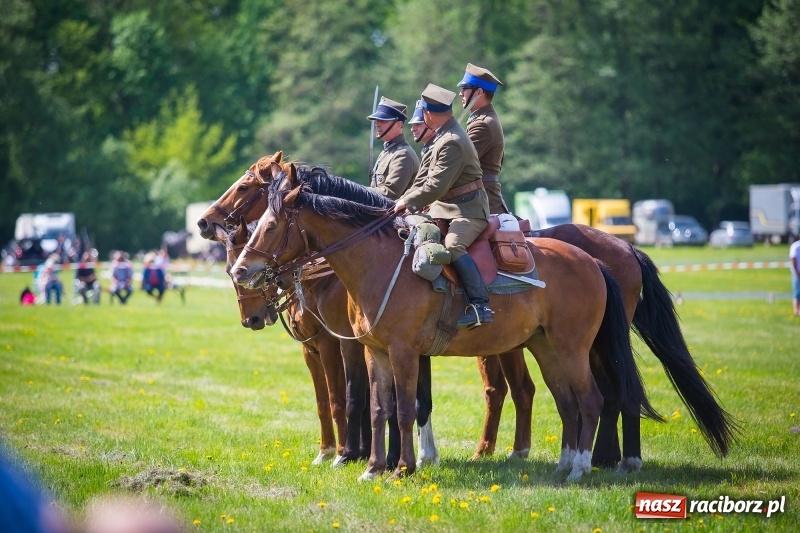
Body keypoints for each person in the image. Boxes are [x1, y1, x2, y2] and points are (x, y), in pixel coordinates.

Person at [396, 84, 492, 328]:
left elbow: (435, 187)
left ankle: (480, 305)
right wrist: (404, 201)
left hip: (468, 211)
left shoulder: (451, 141)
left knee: (453, 246)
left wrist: (406, 202)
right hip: (445, 209)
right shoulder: (441, 137)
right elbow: (423, 182)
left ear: (428, 114)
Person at [457, 63, 510, 215]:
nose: (461, 94)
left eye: (465, 89)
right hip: (475, 201)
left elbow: (459, 164)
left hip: (482, 205)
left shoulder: (483, 123)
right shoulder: (480, 119)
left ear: (478, 92)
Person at [367, 96, 420, 200]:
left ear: (399, 124)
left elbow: (390, 193)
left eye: (383, 120)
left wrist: (357, 191)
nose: (377, 124)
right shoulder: (387, 152)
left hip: (395, 214)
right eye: (377, 120)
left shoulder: (403, 154)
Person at [791, 235, 800, 316]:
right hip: (797, 273)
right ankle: (796, 311)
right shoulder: (795, 246)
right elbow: (793, 259)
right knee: (797, 293)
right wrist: (797, 271)